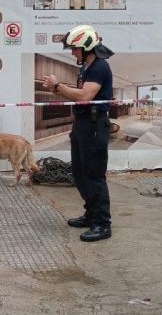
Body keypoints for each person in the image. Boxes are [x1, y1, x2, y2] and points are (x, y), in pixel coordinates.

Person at [43, 24, 114, 242]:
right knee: (80, 173)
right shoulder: (86, 67)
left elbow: (84, 96)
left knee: (93, 175)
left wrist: (57, 87)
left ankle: (102, 224)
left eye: (75, 48)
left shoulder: (100, 67)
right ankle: (91, 214)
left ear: (87, 47)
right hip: (83, 124)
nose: (72, 52)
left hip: (94, 125)